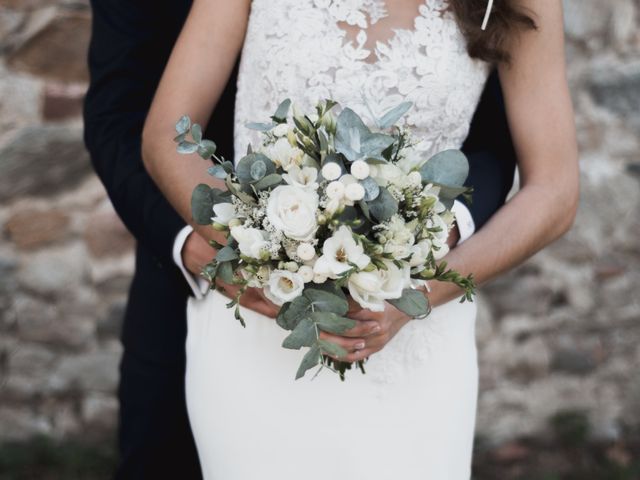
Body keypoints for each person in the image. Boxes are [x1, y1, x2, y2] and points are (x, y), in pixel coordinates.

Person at [82, 1, 566, 479]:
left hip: (416, 339)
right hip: (257, 322)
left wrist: (417, 293)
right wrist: (261, 248)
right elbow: (166, 134)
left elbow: (554, 190)